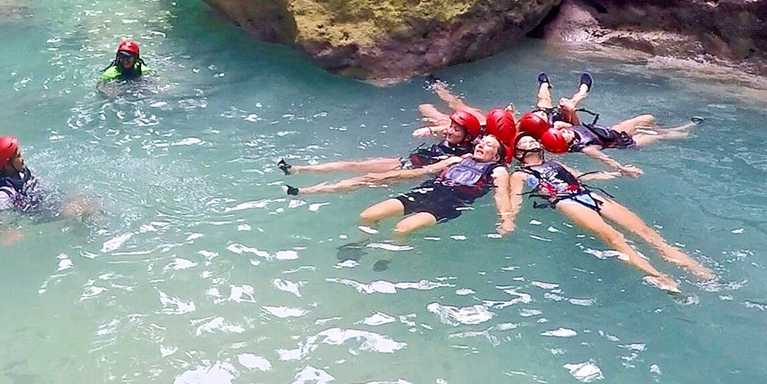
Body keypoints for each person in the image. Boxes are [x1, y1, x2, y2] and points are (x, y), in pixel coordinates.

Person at [510, 133, 713, 292]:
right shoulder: (520, 174)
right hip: (564, 201)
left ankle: (693, 267)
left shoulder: (556, 164)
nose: (530, 143)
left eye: (531, 140)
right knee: (614, 238)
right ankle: (658, 276)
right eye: (525, 142)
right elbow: (516, 197)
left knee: (646, 232)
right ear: (518, 153)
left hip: (586, 193)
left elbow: (584, 177)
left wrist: (619, 173)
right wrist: (508, 218)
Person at [282, 110, 486, 196]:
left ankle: (304, 192)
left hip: (410, 172)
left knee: (366, 178)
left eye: (456, 129)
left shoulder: (464, 155)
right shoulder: (452, 137)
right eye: (451, 126)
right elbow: (455, 128)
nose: (450, 131)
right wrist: (432, 130)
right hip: (406, 161)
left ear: (467, 136)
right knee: (355, 165)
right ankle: (296, 169)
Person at [355, 135, 515, 238]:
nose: (481, 145)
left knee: (402, 228)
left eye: (488, 145)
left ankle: (389, 257)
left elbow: (501, 195)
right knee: (368, 215)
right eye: (481, 142)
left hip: (450, 203)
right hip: (426, 191)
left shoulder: (498, 170)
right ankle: (363, 242)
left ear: (496, 156)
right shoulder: (456, 160)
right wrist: (383, 177)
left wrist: (506, 219)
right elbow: (423, 171)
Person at [0, 136, 94, 245]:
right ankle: (86, 237)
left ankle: (81, 230)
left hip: (44, 199)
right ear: (8, 164)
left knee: (83, 197)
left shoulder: (20, 171)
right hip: (39, 212)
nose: (22, 157)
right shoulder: (6, 191)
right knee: (85, 208)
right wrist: (3, 231)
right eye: (18, 155)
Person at [540, 117, 699, 176]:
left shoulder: (564, 129)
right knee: (655, 136)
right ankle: (686, 132)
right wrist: (622, 169)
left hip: (614, 132)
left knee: (647, 119)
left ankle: (673, 129)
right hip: (624, 143)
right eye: (561, 135)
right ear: (564, 143)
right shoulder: (587, 148)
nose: (563, 131)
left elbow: (561, 124)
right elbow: (606, 160)